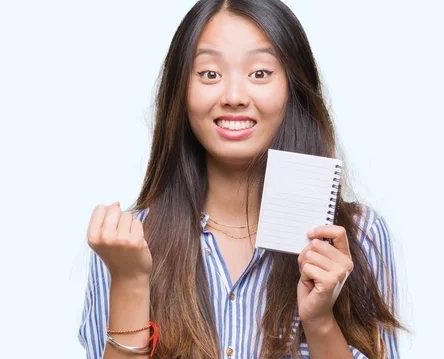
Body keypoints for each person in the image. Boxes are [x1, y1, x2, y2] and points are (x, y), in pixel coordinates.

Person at [78, 0, 403, 358]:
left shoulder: (360, 236)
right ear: (180, 92)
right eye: (210, 74)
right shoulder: (125, 246)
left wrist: (321, 321)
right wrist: (130, 282)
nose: (234, 97)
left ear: (293, 87)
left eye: (260, 73)